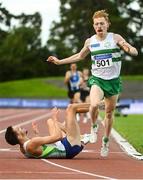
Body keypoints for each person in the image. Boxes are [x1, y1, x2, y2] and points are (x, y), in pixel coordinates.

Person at [47, 9, 138, 157]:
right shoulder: (90, 41)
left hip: (113, 82)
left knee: (109, 113)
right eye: (96, 24)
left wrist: (131, 50)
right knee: (94, 104)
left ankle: (106, 140)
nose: (99, 26)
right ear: (93, 25)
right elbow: (79, 55)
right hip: (98, 79)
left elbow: (131, 48)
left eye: (102, 23)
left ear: (107, 24)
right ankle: (94, 127)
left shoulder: (115, 38)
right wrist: (59, 62)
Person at [5, 103, 91, 159]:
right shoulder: (31, 143)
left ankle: (81, 136)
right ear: (19, 136)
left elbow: (39, 149)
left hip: (63, 145)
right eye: (18, 129)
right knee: (71, 108)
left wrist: (36, 132)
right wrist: (55, 118)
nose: (20, 127)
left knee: (49, 121)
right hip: (69, 148)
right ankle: (98, 105)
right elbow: (58, 137)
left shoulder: (23, 148)